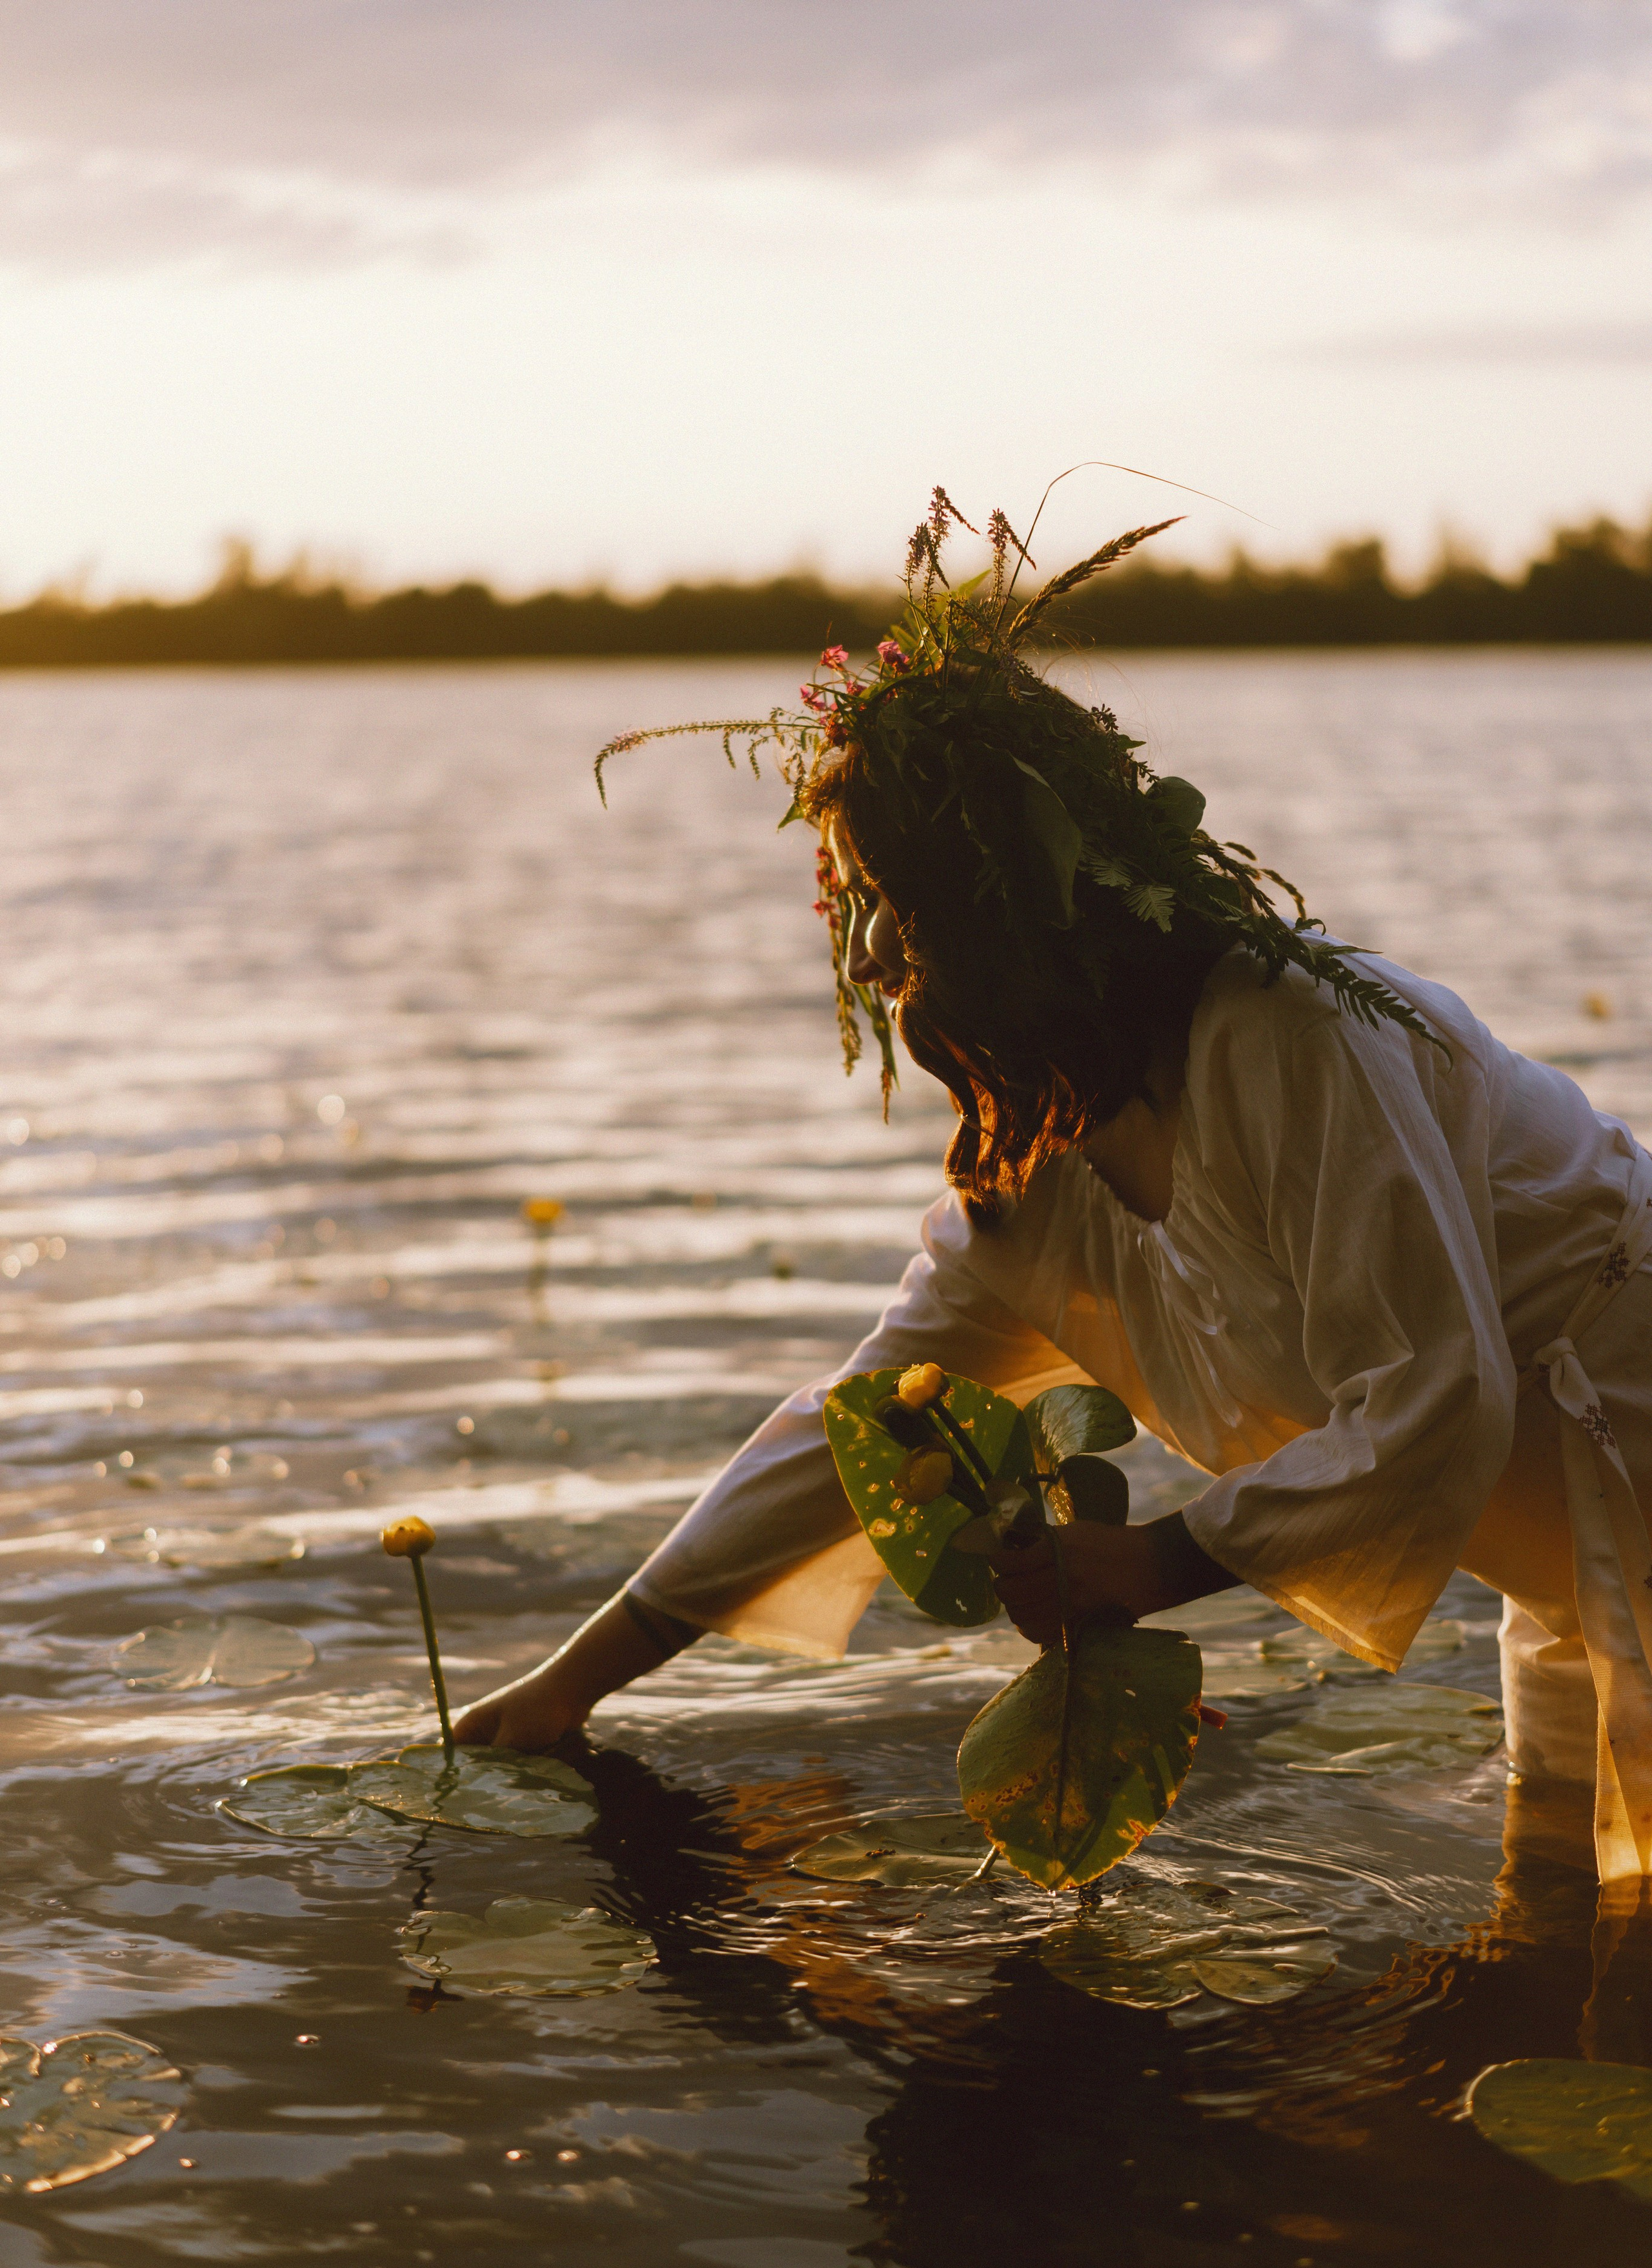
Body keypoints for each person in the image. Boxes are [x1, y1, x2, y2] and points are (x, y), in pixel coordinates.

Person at [456, 490, 1652, 1887]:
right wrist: (566, 1686)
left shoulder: (1292, 1032)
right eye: (859, 911)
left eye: (888, 908)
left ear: (1005, 902)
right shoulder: (1042, 1175)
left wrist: (1156, 1564)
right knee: (1562, 1899)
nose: (870, 960)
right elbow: (843, 1439)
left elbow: (1436, 1396)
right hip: (1569, 1569)